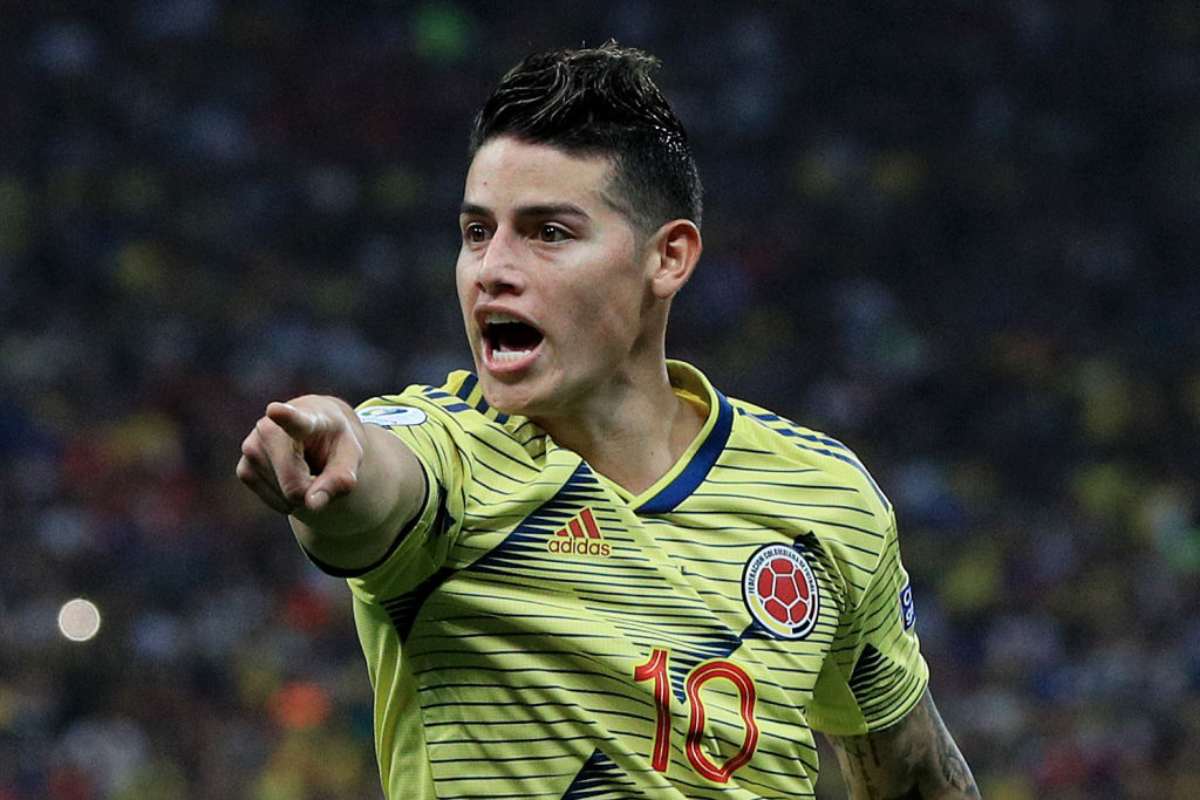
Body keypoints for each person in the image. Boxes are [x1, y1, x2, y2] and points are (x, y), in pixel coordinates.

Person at [236, 42, 979, 800]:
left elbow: (916, 770)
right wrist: (333, 447)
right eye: (477, 232)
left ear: (669, 258)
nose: (492, 268)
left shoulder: (825, 497)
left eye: (548, 233)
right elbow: (374, 489)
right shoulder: (449, 452)